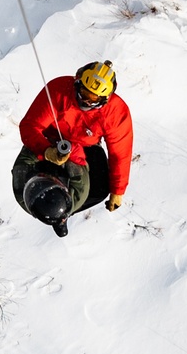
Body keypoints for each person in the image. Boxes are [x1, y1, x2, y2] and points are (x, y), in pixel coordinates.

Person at [11, 60, 133, 237]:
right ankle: (50, 208)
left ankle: (62, 212)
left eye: (94, 98)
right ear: (77, 82)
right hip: (49, 141)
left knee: (99, 190)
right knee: (37, 175)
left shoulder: (116, 112)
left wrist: (117, 190)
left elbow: (120, 153)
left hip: (86, 146)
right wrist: (46, 150)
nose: (86, 100)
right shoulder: (59, 89)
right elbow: (30, 125)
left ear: (105, 99)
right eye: (84, 92)